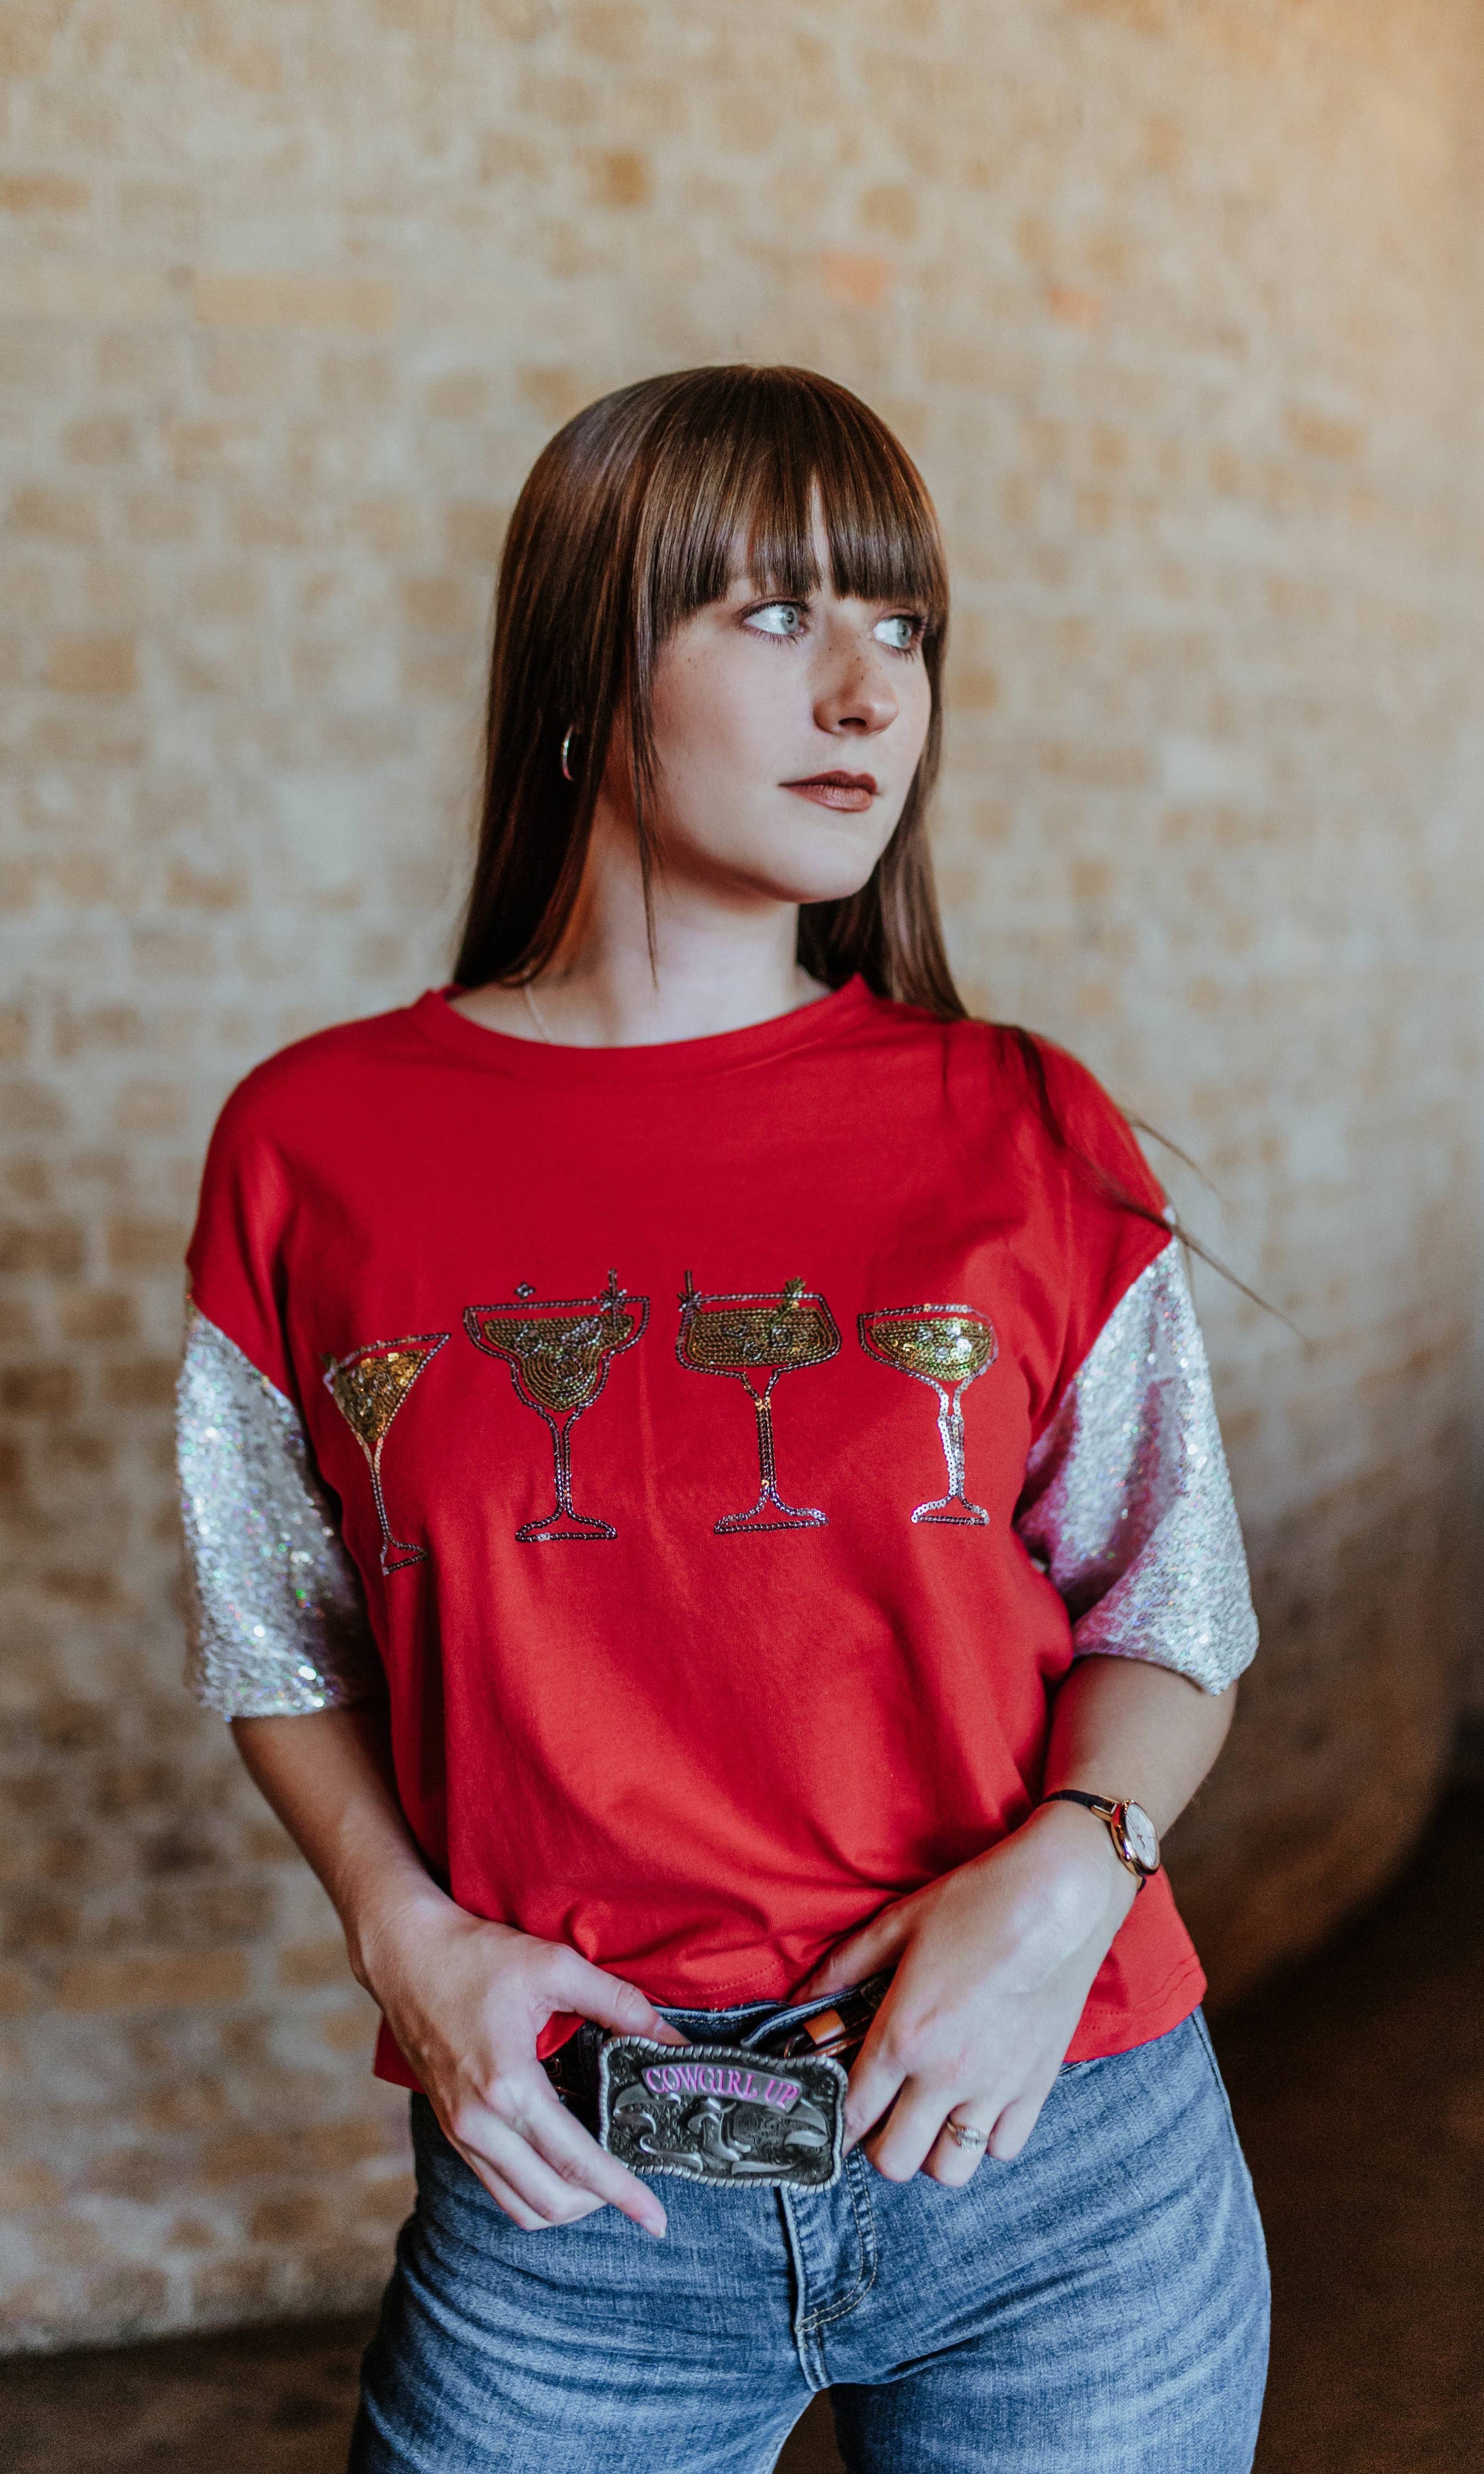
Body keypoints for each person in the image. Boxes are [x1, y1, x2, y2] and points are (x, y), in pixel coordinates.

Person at [176, 365, 1268, 2474]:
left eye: (905, 628)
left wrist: (1068, 1873)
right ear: (593, 657)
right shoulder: (316, 1148)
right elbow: (272, 1631)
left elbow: (1170, 1606)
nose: (868, 694)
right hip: (577, 2207)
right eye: (775, 617)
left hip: (1064, 2155)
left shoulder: (1021, 1121)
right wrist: (403, 1940)